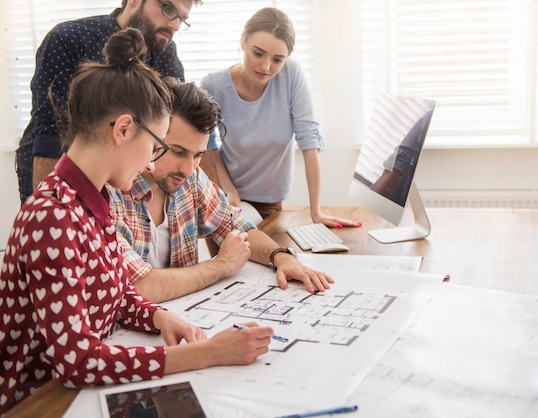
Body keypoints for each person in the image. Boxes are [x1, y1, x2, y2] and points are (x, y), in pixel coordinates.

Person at [0, 29, 274, 415]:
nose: (150, 163)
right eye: (157, 147)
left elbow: (113, 291)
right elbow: (77, 362)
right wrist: (205, 354)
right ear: (124, 129)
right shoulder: (52, 216)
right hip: (45, 403)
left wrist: (158, 315)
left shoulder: (89, 200)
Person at [108, 76, 334, 303]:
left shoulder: (190, 178)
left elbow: (235, 226)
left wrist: (280, 257)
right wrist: (221, 265)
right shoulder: (109, 190)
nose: (188, 169)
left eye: (198, 155)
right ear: (150, 136)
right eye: (178, 151)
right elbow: (137, 286)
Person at [15, 0, 202, 204]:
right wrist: (49, 205)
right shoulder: (69, 38)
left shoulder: (165, 53)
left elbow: (182, 122)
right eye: (167, 9)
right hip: (57, 165)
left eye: (182, 19)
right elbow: (50, 133)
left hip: (119, 175)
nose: (174, 25)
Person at [200, 7, 361, 228]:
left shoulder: (291, 75)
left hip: (271, 202)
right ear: (243, 42)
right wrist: (227, 188)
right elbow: (209, 144)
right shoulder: (213, 86)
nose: (266, 67)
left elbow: (309, 139)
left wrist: (316, 211)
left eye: (277, 59)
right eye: (258, 53)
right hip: (227, 200)